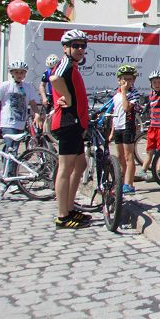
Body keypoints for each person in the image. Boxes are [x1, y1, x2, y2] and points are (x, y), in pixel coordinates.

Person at [49, 29, 92, 229]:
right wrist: (67, 95)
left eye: (83, 45)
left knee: (81, 165)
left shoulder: (73, 66)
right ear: (66, 47)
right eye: (76, 45)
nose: (80, 49)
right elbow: (54, 79)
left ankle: (69, 206)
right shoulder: (64, 63)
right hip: (67, 122)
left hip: (75, 123)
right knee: (66, 168)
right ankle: (62, 215)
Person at [0, 60, 42, 180]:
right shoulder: (5, 86)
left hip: (20, 123)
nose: (19, 74)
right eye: (16, 72)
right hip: (8, 123)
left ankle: (8, 175)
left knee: (10, 151)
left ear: (25, 74)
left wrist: (37, 114)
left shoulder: (28, 87)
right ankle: (9, 178)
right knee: (11, 150)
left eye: (22, 72)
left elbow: (33, 103)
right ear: (12, 73)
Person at [108, 64, 140, 195]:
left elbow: (127, 108)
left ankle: (129, 184)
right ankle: (121, 182)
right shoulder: (116, 94)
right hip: (118, 127)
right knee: (120, 156)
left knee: (128, 156)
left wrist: (125, 92)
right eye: (124, 79)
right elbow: (116, 113)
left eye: (130, 79)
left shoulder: (133, 93)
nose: (127, 82)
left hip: (128, 126)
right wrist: (111, 132)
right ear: (119, 80)